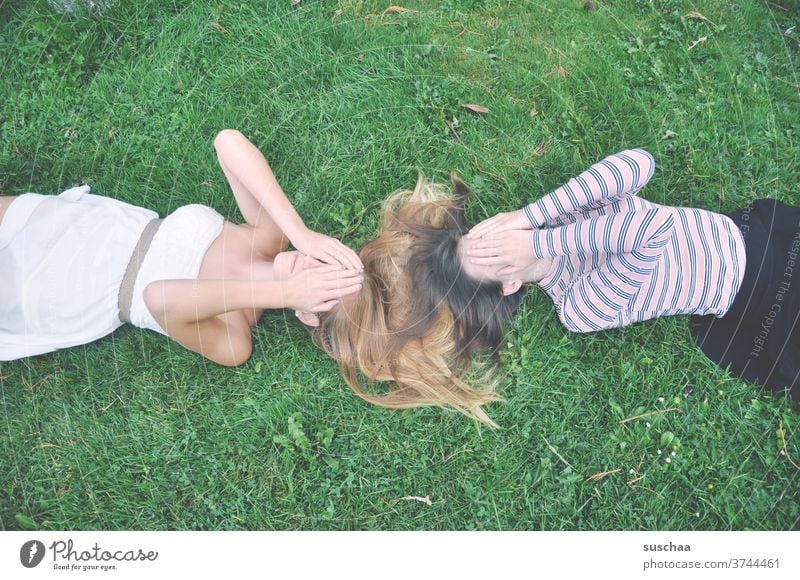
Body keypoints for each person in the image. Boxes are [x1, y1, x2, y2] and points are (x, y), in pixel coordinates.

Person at [0, 129, 363, 366]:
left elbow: (158, 296)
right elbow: (228, 142)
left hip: (69, 289)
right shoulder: (269, 238)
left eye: (322, 283)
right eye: (331, 260)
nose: (312, 264)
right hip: (88, 226)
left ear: (307, 313)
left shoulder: (235, 339)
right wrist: (300, 233)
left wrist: (284, 291)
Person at [462, 148, 799, 402]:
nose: (498, 241)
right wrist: (538, 242)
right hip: (768, 295)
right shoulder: (579, 308)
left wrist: (528, 215)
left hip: (762, 233)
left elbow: (639, 163)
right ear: (509, 284)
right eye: (492, 254)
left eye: (481, 237)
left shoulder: (568, 215)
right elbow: (654, 228)